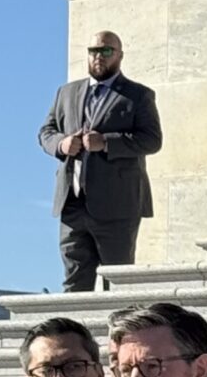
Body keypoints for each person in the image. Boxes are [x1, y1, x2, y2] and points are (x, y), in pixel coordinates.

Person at [41, 31, 163, 292]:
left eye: (106, 51)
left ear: (119, 56)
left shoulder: (138, 96)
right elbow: (46, 133)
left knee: (116, 282)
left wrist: (106, 142)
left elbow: (152, 140)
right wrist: (62, 144)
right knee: (74, 283)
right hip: (72, 204)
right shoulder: (66, 93)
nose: (99, 56)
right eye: (94, 50)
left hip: (117, 207)